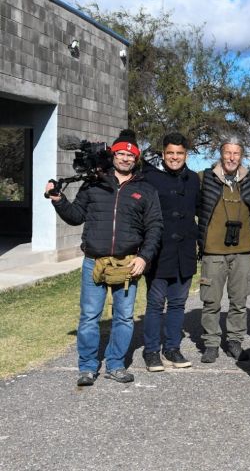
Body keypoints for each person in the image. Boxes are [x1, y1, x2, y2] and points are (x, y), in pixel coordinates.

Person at [46, 129, 163, 386]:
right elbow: (76, 216)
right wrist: (58, 200)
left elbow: (154, 227)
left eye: (129, 155)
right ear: (113, 155)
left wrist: (144, 257)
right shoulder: (94, 184)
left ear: (136, 158)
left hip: (128, 263)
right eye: (120, 153)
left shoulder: (145, 189)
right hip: (94, 262)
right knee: (89, 316)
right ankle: (87, 367)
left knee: (123, 317)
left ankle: (116, 364)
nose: (124, 158)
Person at [197, 137, 250, 364]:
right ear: (221, 154)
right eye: (227, 153)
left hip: (243, 251)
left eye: (236, 153)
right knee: (211, 301)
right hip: (213, 251)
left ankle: (234, 341)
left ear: (242, 156)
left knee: (239, 300)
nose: (232, 158)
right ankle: (211, 343)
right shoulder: (204, 178)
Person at [141, 132, 200, 371]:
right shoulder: (149, 178)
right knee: (155, 303)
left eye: (179, 153)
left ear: (186, 154)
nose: (175, 157)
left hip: (184, 252)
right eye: (170, 153)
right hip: (159, 252)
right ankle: (151, 351)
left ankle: (172, 348)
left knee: (177, 304)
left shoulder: (194, 179)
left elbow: (200, 211)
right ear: (163, 154)